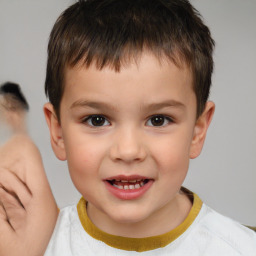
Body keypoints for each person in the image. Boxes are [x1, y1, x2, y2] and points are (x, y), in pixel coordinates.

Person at [1, 0, 256, 255]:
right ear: (58, 132)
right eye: (97, 120)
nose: (128, 150)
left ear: (197, 131)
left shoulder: (241, 248)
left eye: (158, 120)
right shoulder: (35, 248)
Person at [0, 83, 58, 256]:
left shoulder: (25, 147)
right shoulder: (11, 148)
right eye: (4, 108)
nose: (8, 113)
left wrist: (26, 251)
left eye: (11, 106)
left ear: (21, 108)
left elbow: (47, 209)